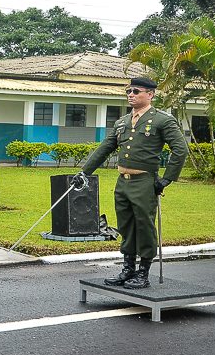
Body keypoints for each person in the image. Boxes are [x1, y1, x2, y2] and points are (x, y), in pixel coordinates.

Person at [73, 77, 187, 289]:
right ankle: (128, 269)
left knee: (144, 226)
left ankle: (143, 273)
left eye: (136, 91)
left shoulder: (162, 120)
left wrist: (166, 179)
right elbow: (105, 148)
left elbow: (180, 150)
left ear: (150, 94)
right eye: (128, 91)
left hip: (144, 182)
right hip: (122, 183)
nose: (131, 95)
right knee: (125, 225)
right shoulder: (122, 122)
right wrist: (84, 172)